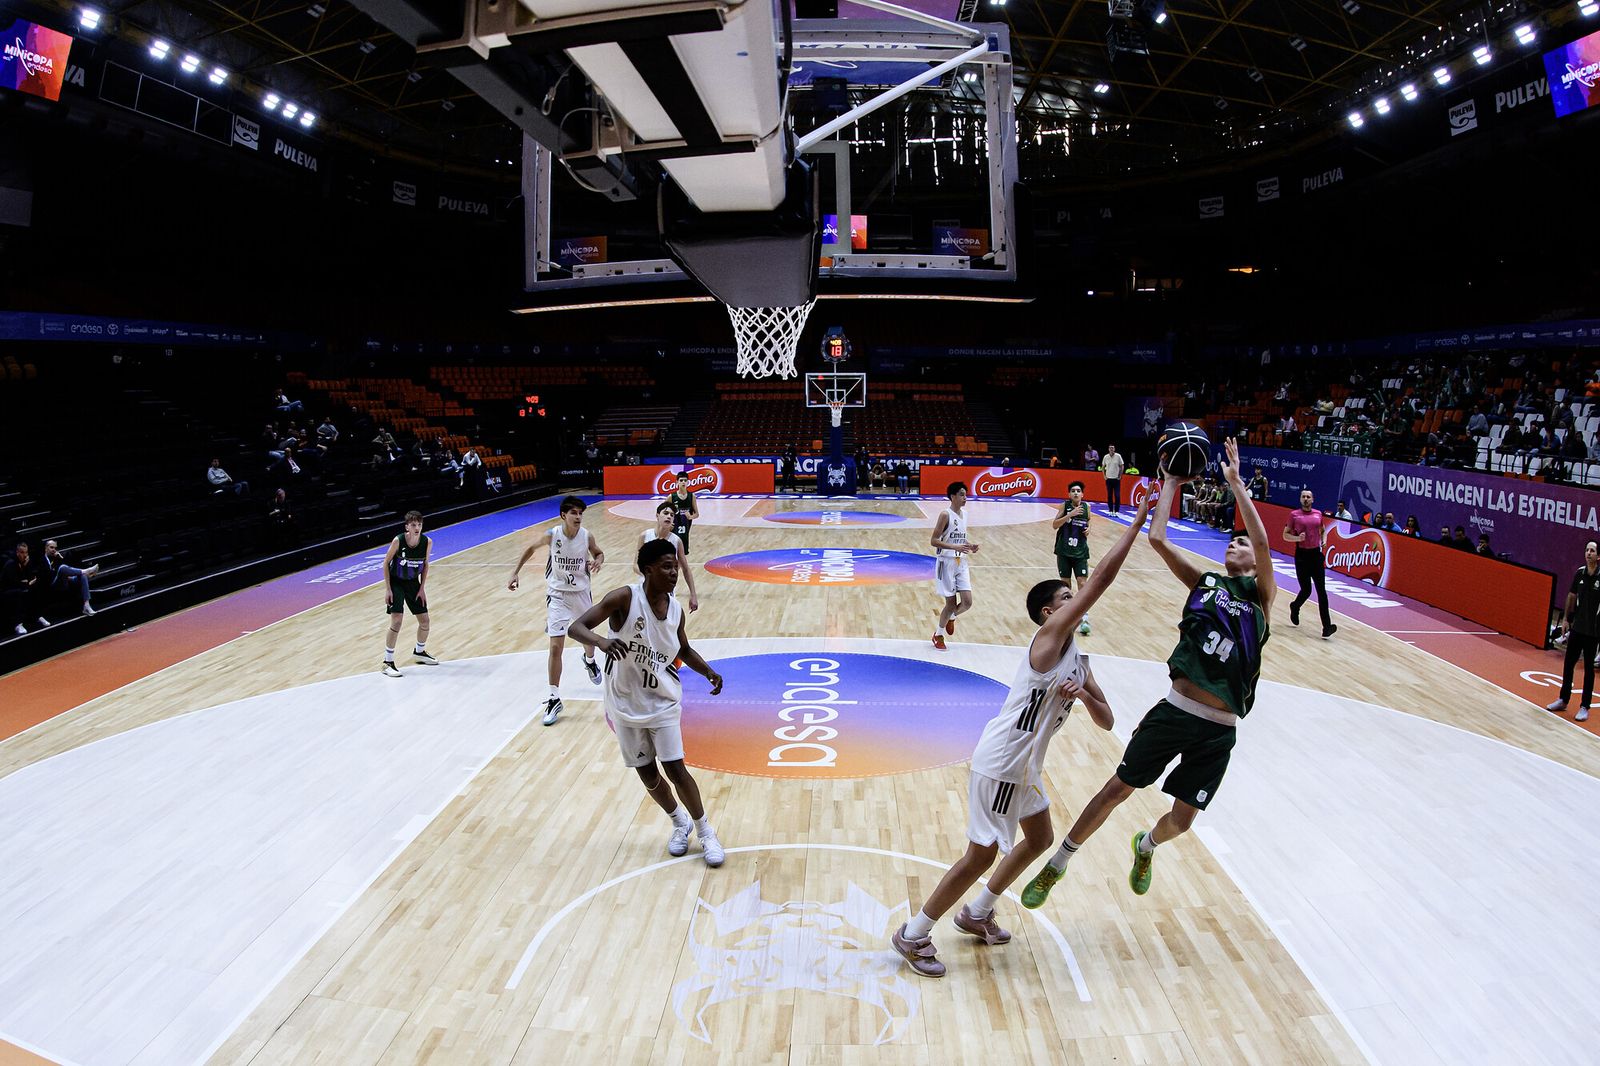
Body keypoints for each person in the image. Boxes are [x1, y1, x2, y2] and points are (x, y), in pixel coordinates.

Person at [890, 490, 1156, 978]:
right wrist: (1136, 523)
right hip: (1003, 760)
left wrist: (1086, 695)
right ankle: (914, 933)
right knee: (979, 855)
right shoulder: (1047, 642)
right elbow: (1101, 580)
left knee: (1039, 838)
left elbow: (1108, 721)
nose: (1074, 603)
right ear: (1046, 616)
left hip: (1026, 766)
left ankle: (977, 912)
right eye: (1065, 600)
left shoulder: (1079, 657)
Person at [1021, 438, 1276, 907]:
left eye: (1242, 543)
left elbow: (1262, 541)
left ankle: (1147, 846)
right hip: (1177, 710)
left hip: (1220, 730)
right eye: (1233, 541)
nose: (1237, 544)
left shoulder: (1260, 597)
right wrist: (1172, 484)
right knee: (1118, 787)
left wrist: (1237, 486)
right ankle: (1058, 864)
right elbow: (1157, 539)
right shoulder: (1206, 582)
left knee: (1181, 820)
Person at [567, 538, 726, 866]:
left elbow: (682, 649)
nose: (674, 573)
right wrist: (602, 641)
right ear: (648, 570)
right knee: (647, 774)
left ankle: (705, 830)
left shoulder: (676, 610)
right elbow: (576, 627)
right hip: (625, 702)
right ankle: (678, 822)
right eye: (667, 567)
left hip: (663, 701)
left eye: (675, 567)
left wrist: (708, 671)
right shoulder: (624, 597)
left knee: (676, 768)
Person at [508, 495, 606, 725]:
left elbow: (598, 552)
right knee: (555, 646)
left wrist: (599, 561)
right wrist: (515, 572)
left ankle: (590, 661)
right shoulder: (553, 535)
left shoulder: (586, 536)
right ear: (564, 515)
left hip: (581, 593)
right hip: (558, 595)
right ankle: (554, 697)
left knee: (588, 640)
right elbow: (530, 549)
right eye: (574, 513)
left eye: (581, 513)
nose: (578, 517)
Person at [380, 511, 439, 677]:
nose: (417, 528)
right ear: (407, 527)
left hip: (413, 582)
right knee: (397, 620)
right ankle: (387, 662)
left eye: (419, 524)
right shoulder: (398, 541)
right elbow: (385, 564)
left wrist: (422, 588)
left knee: (425, 620)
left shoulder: (427, 542)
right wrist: (388, 589)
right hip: (396, 582)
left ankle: (419, 652)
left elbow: (426, 565)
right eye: (413, 525)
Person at [1547, 540, 1600, 722]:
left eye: (1592, 551)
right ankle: (1563, 699)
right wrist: (1567, 620)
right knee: (1568, 663)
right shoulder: (1579, 573)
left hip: (1593, 632)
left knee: (1588, 670)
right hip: (1577, 629)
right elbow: (1571, 596)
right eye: (1587, 550)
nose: (1588, 553)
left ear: (1598, 556)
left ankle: (1585, 706)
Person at [930, 482, 979, 649]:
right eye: (962, 495)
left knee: (967, 602)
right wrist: (954, 547)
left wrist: (969, 545)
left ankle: (952, 617)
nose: (965, 498)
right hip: (946, 562)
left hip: (961, 561)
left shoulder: (964, 514)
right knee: (950, 603)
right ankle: (938, 635)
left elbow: (958, 538)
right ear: (953, 496)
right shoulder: (945, 515)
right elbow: (934, 540)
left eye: (965, 495)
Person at [1283, 488, 1336, 639]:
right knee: (1306, 590)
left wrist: (1324, 541)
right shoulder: (1294, 515)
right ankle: (1295, 606)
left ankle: (1327, 626)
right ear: (1300, 499)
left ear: (1313, 500)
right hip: (1302, 556)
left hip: (1315, 555)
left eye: (1308, 497)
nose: (1306, 499)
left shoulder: (1318, 514)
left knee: (1321, 591)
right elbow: (1285, 534)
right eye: (1303, 496)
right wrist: (1297, 539)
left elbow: (1323, 530)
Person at [640, 500, 700, 611]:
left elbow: (686, 569)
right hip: (646, 589)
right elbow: (635, 565)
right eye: (666, 513)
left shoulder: (676, 541)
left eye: (672, 515)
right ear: (657, 516)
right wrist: (651, 576)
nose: (669, 516)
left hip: (667, 591)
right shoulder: (645, 536)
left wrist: (693, 595)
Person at [1051, 481, 1094, 636]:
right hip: (1064, 551)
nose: (1076, 493)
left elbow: (1088, 521)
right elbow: (1055, 525)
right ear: (1069, 494)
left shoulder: (1087, 507)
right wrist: (1069, 515)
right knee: (1065, 585)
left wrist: (1089, 529)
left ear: (1082, 494)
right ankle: (1067, 617)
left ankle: (1084, 618)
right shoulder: (1064, 506)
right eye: (1073, 491)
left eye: (1078, 491)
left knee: (1083, 584)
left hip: (1080, 552)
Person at [1, 540, 51, 636]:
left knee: (36, 588)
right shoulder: (11, 564)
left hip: (19, 587)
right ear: (17, 553)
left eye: (26, 552)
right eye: (22, 552)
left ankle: (38, 616)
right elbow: (14, 582)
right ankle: (18, 624)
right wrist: (27, 582)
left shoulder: (26, 563)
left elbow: (30, 578)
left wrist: (26, 570)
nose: (25, 555)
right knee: (19, 592)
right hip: (6, 591)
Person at [42, 540, 99, 617]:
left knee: (83, 576)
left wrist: (61, 558)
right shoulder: (42, 560)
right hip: (51, 584)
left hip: (64, 581)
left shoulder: (56, 558)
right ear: (46, 548)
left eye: (55, 548)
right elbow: (47, 575)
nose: (54, 550)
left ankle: (86, 605)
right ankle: (87, 570)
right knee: (63, 568)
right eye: (51, 547)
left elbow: (68, 569)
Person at [667, 473, 700, 557]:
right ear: (677, 482)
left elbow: (697, 514)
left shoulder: (691, 496)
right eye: (681, 480)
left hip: (685, 529)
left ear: (688, 482)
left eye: (685, 480)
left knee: (683, 554)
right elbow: (661, 511)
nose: (683, 482)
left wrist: (691, 517)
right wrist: (668, 523)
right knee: (674, 552)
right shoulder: (672, 497)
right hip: (674, 528)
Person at [1100, 444, 1125, 514]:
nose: (1111, 449)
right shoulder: (1106, 457)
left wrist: (1120, 475)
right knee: (1109, 495)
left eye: (1112, 448)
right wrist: (1104, 475)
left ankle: (1117, 510)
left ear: (1114, 449)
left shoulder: (1118, 456)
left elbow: (1122, 465)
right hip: (1108, 479)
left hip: (1116, 479)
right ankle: (1110, 510)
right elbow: (1103, 466)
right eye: (1110, 448)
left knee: (1117, 495)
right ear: (1108, 449)